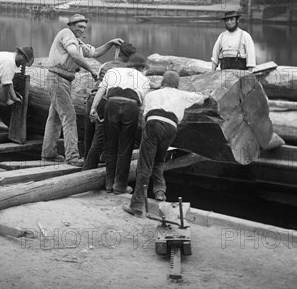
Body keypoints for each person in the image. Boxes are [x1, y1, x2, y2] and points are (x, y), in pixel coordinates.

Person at [41, 14, 123, 166]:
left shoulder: (77, 41)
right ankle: (72, 156)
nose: (82, 30)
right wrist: (92, 70)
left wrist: (110, 43)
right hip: (57, 79)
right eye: (79, 27)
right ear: (70, 25)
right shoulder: (66, 34)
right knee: (69, 117)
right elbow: (74, 54)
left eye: (84, 27)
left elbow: (94, 53)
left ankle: (48, 153)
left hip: (63, 80)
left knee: (55, 118)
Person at [123, 71, 206, 217]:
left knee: (145, 165)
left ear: (162, 83)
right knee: (159, 160)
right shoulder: (182, 94)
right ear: (177, 84)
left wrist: (145, 137)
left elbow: (144, 118)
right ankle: (160, 191)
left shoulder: (151, 95)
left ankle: (136, 206)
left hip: (153, 123)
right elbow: (201, 99)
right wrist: (205, 94)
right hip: (171, 127)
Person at [90, 53, 151, 194]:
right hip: (131, 106)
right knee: (126, 147)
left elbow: (101, 90)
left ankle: (109, 184)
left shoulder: (113, 71)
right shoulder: (143, 78)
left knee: (110, 145)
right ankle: (120, 186)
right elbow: (143, 105)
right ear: (142, 68)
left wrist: (93, 107)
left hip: (111, 104)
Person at [82, 42, 137, 171]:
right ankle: (88, 169)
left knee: (88, 134)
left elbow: (98, 82)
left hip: (92, 98)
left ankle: (86, 160)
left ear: (119, 53)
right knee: (100, 137)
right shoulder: (129, 70)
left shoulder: (106, 65)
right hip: (106, 101)